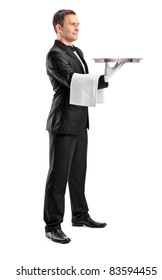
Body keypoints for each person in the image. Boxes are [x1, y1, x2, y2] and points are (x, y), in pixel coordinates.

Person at [43, 9, 124, 244]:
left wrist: (106, 78)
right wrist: (102, 79)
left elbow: (81, 84)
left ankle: (80, 215)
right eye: (72, 24)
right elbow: (71, 81)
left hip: (80, 121)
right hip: (63, 122)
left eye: (78, 24)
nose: (77, 27)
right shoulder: (54, 55)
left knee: (78, 173)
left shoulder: (77, 51)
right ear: (59, 27)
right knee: (58, 176)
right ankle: (52, 225)